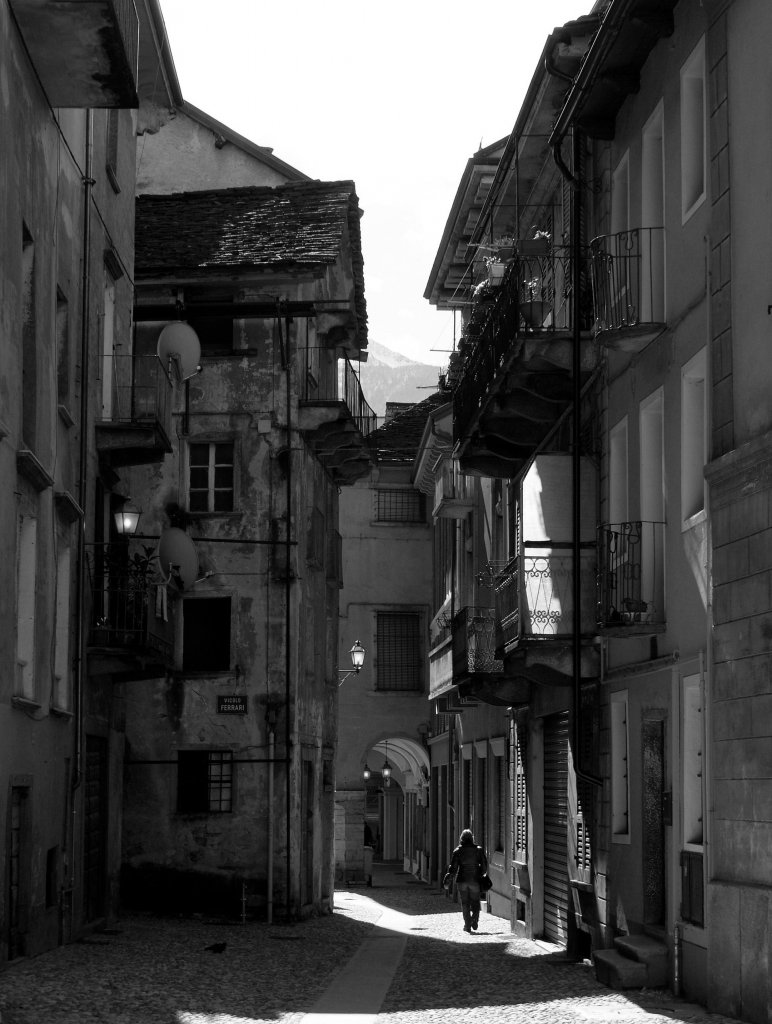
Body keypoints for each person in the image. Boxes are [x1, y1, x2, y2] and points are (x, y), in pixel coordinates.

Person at [446, 828, 488, 933]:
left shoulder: (457, 851)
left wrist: (449, 878)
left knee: (465, 903)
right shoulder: (478, 850)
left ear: (461, 839)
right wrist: (480, 873)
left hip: (462, 880)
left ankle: (467, 925)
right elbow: (484, 866)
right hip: (474, 880)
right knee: (475, 902)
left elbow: (453, 868)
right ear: (472, 838)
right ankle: (474, 920)